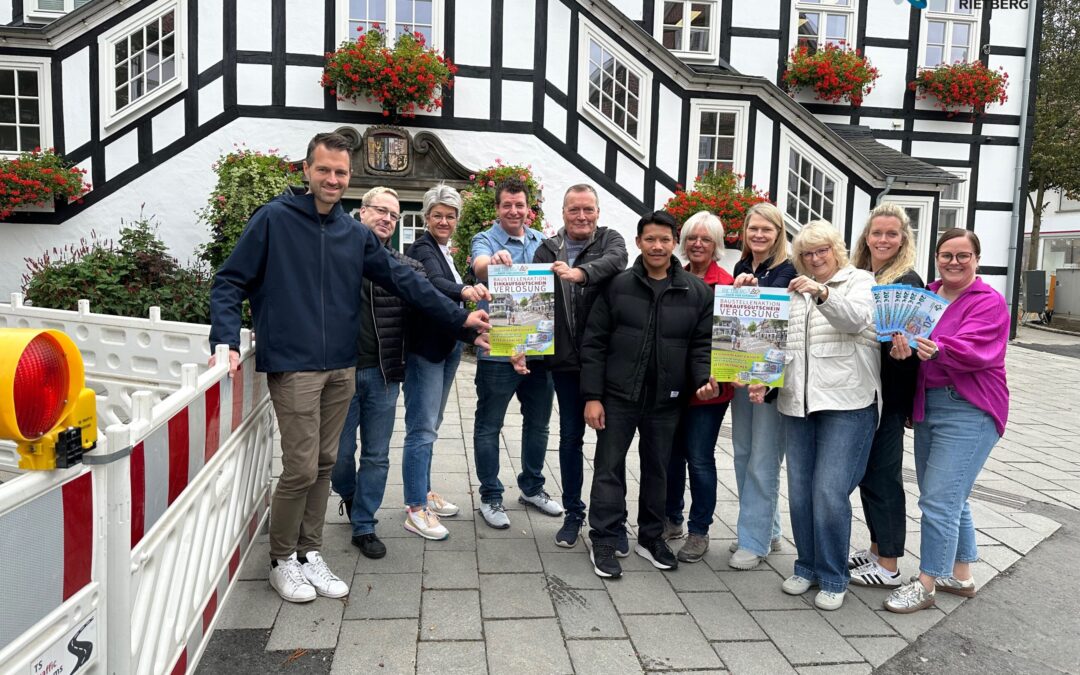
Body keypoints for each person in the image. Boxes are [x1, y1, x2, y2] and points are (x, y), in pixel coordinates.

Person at [209, 133, 490, 604]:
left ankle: (309, 552)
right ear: (307, 170)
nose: (333, 179)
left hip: (342, 365)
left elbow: (407, 283)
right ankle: (281, 559)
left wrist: (461, 318)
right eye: (325, 170)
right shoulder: (274, 220)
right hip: (294, 364)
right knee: (299, 467)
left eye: (341, 173)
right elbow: (230, 280)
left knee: (322, 465)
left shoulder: (353, 233)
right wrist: (223, 338)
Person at [748, 220, 879, 611]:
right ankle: (806, 566)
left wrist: (822, 293)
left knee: (828, 491)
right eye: (806, 253)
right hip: (797, 404)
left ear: (836, 250)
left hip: (848, 404)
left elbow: (856, 320)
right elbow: (782, 348)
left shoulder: (860, 281)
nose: (815, 258)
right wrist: (766, 383)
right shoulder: (794, 291)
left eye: (822, 250)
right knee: (801, 491)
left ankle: (834, 574)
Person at [581, 210, 719, 579]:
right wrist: (592, 396)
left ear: (675, 242)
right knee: (609, 469)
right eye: (650, 239)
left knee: (658, 469)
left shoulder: (697, 291)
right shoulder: (617, 285)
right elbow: (593, 343)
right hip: (617, 396)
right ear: (639, 242)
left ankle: (651, 536)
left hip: (666, 399)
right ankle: (605, 537)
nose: (657, 246)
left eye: (664, 239)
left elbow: (701, 345)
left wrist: (704, 378)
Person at [884, 228, 1009, 614]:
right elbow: (905, 340)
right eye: (946, 255)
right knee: (951, 496)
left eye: (963, 255)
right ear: (936, 257)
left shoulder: (989, 301)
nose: (954, 262)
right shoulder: (927, 296)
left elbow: (978, 349)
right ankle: (962, 574)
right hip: (929, 405)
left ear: (976, 259)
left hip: (969, 407)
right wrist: (901, 350)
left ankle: (927, 583)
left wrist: (939, 349)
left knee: (938, 499)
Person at [330, 186, 437, 557]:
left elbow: (432, 301)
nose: (387, 219)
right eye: (380, 210)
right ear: (361, 213)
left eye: (393, 215)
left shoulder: (404, 267)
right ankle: (349, 493)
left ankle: (364, 524)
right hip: (339, 374)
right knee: (338, 455)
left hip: (383, 374)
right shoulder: (334, 257)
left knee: (376, 455)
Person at [529, 184, 627, 549]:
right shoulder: (546, 249)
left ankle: (614, 521)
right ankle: (574, 513)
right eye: (574, 210)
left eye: (588, 209)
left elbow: (616, 262)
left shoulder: (610, 240)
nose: (581, 216)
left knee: (610, 442)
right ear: (563, 213)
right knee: (570, 439)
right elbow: (530, 302)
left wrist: (580, 273)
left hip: (606, 364)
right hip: (566, 364)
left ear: (598, 212)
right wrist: (520, 345)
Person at [470, 177, 562, 529]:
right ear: (497, 208)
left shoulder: (544, 241)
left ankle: (532, 488)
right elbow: (479, 265)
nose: (513, 211)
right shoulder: (486, 240)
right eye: (507, 205)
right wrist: (492, 261)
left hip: (539, 350)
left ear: (529, 209)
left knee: (538, 424)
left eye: (519, 205)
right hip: (498, 350)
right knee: (489, 425)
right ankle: (491, 496)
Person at [401, 184, 492, 540]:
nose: (444, 220)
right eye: (437, 214)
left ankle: (422, 493)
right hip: (425, 351)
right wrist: (465, 290)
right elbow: (432, 284)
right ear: (426, 217)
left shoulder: (445, 250)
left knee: (431, 425)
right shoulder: (421, 248)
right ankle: (414, 509)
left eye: (450, 215)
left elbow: (447, 311)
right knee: (421, 429)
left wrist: (471, 336)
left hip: (447, 345)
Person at [847, 203, 923, 588]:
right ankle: (877, 549)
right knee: (869, 476)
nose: (882, 239)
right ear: (867, 236)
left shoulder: (908, 282)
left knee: (883, 477)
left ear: (903, 239)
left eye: (891, 234)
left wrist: (902, 356)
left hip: (889, 398)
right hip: (865, 390)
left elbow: (915, 352)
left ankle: (890, 565)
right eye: (877, 233)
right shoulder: (864, 276)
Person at [726, 203, 797, 570]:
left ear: (778, 232)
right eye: (753, 228)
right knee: (742, 452)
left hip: (770, 379)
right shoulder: (742, 266)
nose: (758, 235)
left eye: (766, 230)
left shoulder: (789, 270)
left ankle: (753, 541)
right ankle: (766, 528)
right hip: (743, 373)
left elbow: (786, 329)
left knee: (764, 459)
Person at [663, 211, 735, 563]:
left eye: (705, 239)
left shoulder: (727, 283)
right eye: (692, 237)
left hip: (709, 387)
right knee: (672, 456)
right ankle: (672, 519)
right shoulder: (673, 277)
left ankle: (700, 530)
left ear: (716, 245)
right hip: (675, 383)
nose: (697, 244)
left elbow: (730, 343)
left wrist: (716, 378)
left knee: (700, 457)